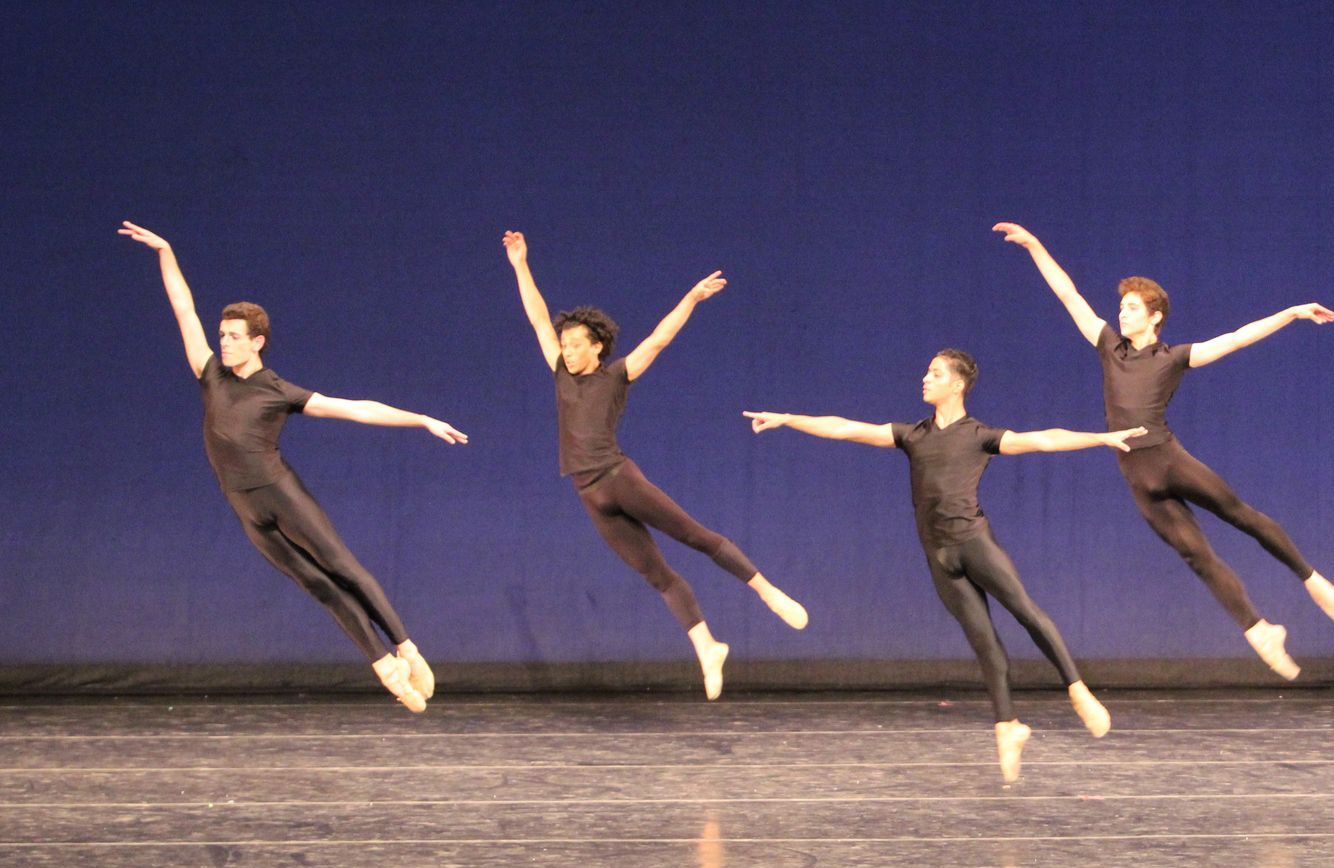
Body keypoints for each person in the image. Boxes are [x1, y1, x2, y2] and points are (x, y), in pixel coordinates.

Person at [745, 349, 1141, 781]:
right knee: (985, 643)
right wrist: (788, 417)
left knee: (1027, 613)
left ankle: (1078, 690)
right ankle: (1008, 726)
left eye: (935, 373)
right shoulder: (913, 435)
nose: (924, 378)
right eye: (926, 372)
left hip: (974, 545)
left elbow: (1042, 438)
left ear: (957, 385)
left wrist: (1098, 438)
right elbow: (845, 429)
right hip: (938, 556)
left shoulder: (978, 436)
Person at [120, 221, 466, 711]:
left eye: (234, 336)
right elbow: (183, 308)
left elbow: (355, 407)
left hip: (280, 494)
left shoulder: (278, 390)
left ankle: (407, 648)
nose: (224, 342)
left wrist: (421, 419)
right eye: (222, 335)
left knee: (343, 567)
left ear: (257, 342)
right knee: (317, 584)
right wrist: (166, 252)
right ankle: (385, 668)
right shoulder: (210, 374)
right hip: (244, 506)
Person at [995, 222, 1334, 681]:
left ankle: (1311, 578)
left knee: (1240, 514)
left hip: (1168, 459)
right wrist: (1036, 247)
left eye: (1131, 308)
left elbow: (1237, 337)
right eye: (1120, 307)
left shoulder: (1174, 357)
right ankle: (1260, 632)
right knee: (1196, 555)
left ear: (1154, 316)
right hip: (1137, 476)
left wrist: (1292, 312)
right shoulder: (1108, 347)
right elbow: (1069, 296)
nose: (1122, 314)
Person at [503, 231, 807, 700]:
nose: (565, 349)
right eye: (564, 344)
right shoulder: (560, 372)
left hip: (618, 478)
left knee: (694, 536)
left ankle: (767, 590)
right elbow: (539, 319)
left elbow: (659, 339)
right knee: (656, 574)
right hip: (588, 493)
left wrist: (691, 298)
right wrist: (521, 264)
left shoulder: (616, 374)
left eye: (575, 344)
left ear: (596, 348)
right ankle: (707, 646)